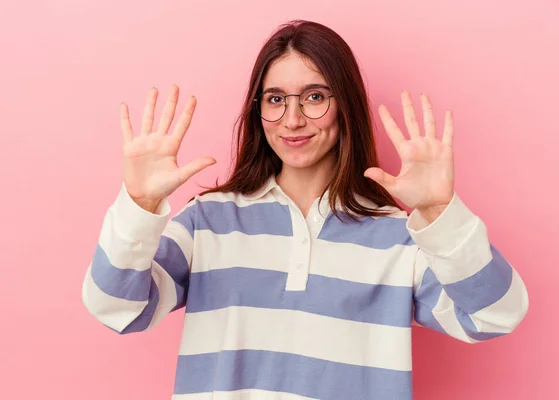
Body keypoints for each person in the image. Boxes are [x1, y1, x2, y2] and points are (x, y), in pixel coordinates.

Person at [82, 19, 529, 400]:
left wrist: (439, 211)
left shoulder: (400, 236)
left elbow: (494, 315)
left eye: (314, 97)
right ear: (258, 111)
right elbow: (116, 309)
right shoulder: (208, 221)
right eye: (275, 99)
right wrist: (139, 206)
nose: (292, 119)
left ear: (345, 105)